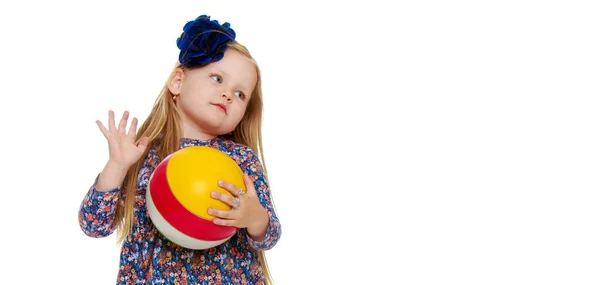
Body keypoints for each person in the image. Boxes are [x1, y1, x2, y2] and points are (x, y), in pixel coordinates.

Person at [78, 14, 281, 285]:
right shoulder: (144, 154)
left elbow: (269, 236)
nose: (228, 94)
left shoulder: (242, 160)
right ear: (177, 82)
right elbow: (94, 225)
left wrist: (253, 216)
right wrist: (117, 165)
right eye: (217, 78)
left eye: (241, 94)